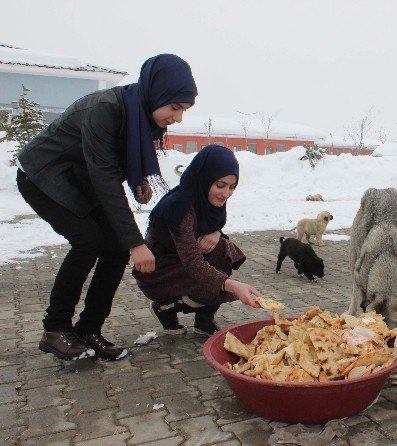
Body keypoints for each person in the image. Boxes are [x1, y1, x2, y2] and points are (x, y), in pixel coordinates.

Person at [16, 54, 197, 361]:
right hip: (42, 175)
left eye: (184, 110)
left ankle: (89, 328)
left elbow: (116, 162)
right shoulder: (105, 109)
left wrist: (136, 180)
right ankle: (55, 329)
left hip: (80, 179)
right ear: (157, 93)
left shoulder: (141, 115)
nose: (177, 118)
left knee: (114, 247)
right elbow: (104, 179)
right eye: (175, 107)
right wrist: (137, 242)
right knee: (89, 241)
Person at [133, 145, 263, 336]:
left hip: (182, 261)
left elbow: (207, 230)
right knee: (212, 282)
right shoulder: (180, 207)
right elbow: (193, 262)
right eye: (220, 185)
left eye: (232, 187)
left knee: (222, 250)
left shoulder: (206, 199)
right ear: (204, 178)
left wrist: (216, 232)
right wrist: (233, 286)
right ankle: (165, 308)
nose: (226, 194)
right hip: (158, 271)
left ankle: (204, 320)